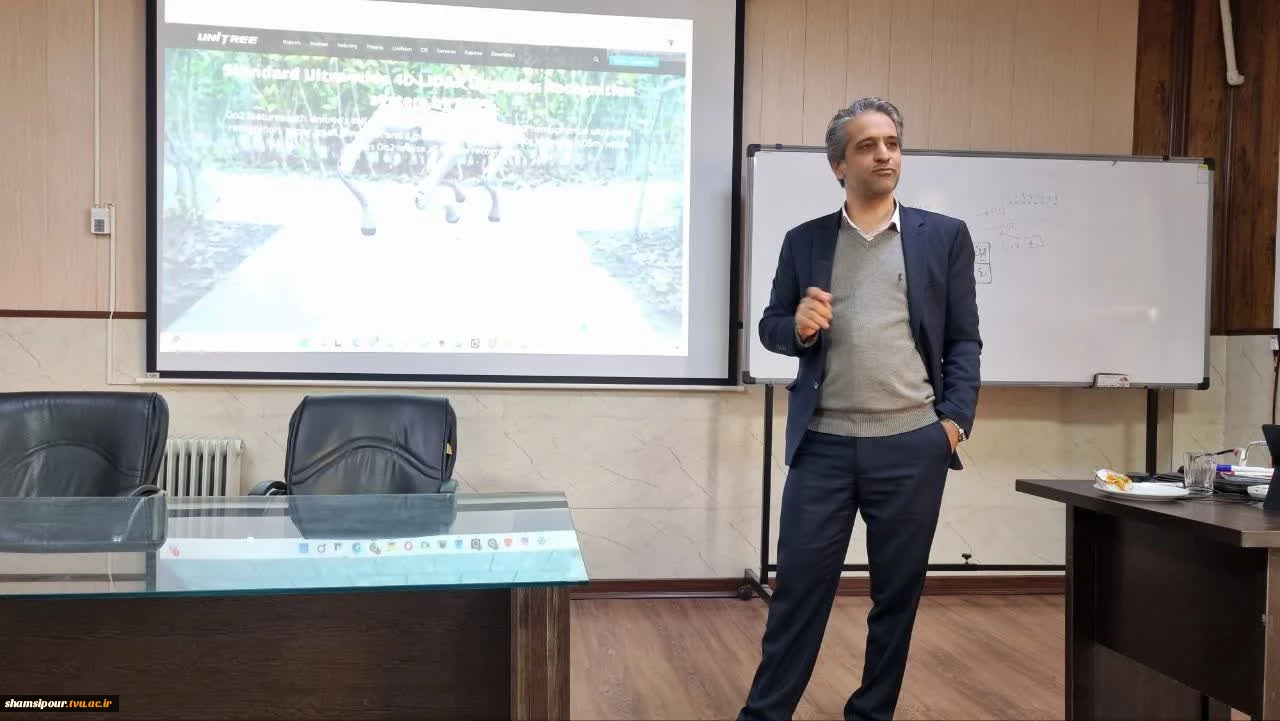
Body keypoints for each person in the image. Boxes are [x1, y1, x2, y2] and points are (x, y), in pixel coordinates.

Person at [738, 97, 982, 721]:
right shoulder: (806, 241)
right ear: (838, 165)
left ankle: (871, 714)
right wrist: (797, 326)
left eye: (892, 144)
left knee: (895, 599)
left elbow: (963, 339)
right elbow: (770, 327)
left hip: (912, 446)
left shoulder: (943, 237)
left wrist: (952, 424)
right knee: (797, 594)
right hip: (822, 446)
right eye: (867, 145)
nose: (883, 155)